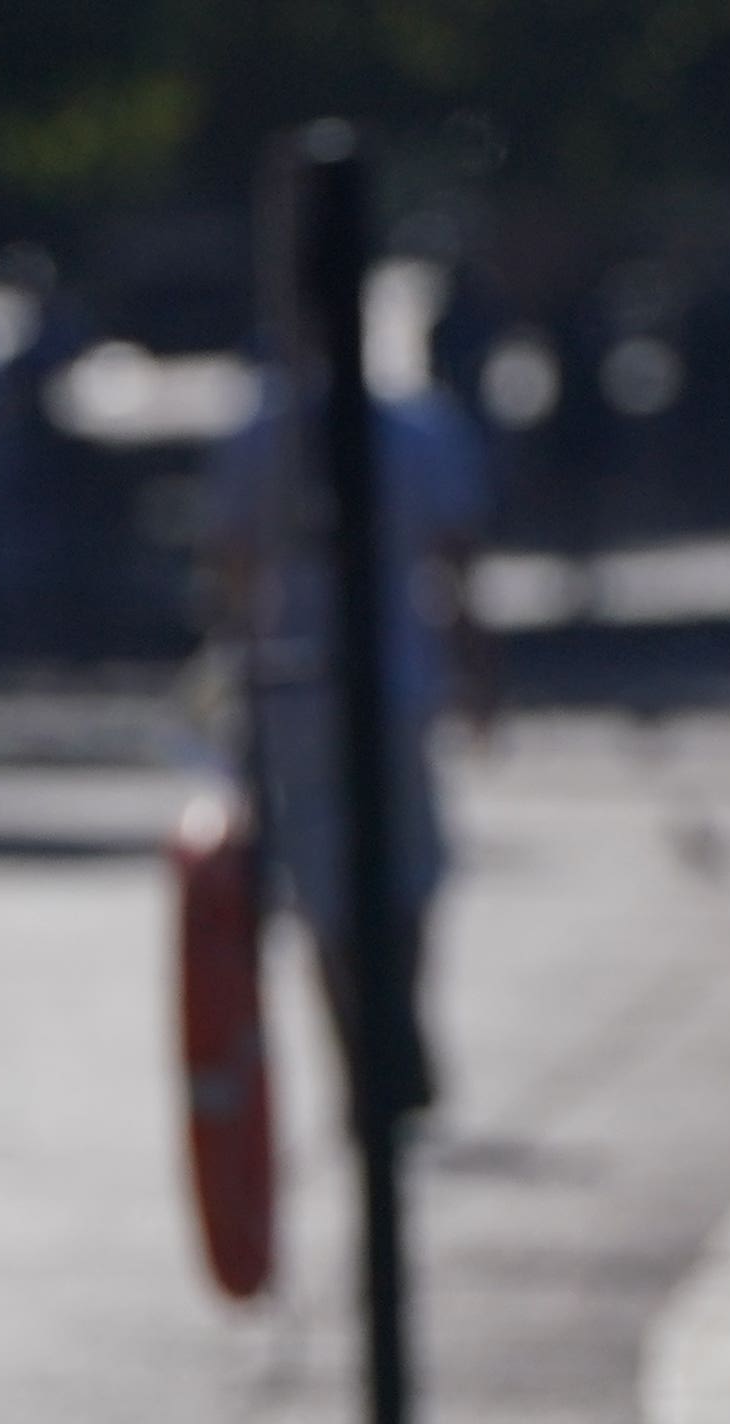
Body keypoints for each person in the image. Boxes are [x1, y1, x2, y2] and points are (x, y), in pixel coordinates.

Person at [200, 358, 489, 1105]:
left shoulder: (276, 434)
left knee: (347, 880)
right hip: (353, 680)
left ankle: (374, 1036)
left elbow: (234, 564)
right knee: (376, 875)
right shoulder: (405, 430)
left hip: (333, 681)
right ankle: (374, 1041)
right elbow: (455, 561)